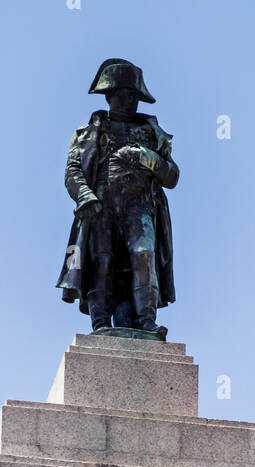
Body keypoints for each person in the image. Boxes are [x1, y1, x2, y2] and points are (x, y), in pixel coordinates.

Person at [56, 58, 179, 339]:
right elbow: (73, 171)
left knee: (143, 256)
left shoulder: (153, 135)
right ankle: (100, 322)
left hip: (141, 206)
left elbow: (172, 177)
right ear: (109, 95)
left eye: (134, 95)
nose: (129, 101)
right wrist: (85, 196)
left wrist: (150, 159)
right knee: (102, 260)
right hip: (101, 205)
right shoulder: (87, 133)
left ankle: (146, 321)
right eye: (123, 94)